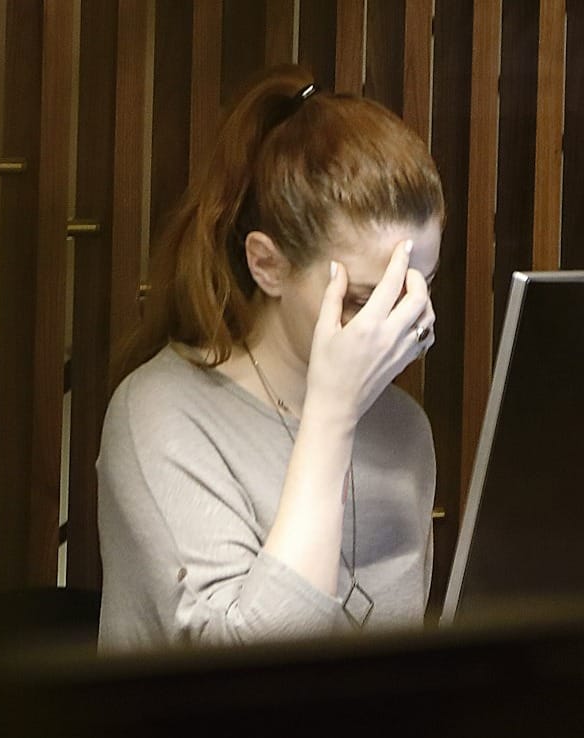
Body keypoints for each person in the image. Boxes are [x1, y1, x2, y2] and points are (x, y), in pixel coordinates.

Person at [96, 65, 443, 653]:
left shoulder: (404, 429)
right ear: (268, 265)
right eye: (364, 299)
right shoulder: (158, 414)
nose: (400, 324)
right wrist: (331, 419)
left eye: (419, 288)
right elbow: (250, 679)